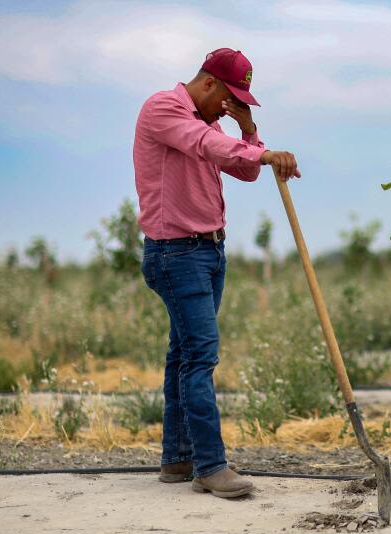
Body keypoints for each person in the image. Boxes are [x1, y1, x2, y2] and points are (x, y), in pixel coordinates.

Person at [133, 48, 299, 498]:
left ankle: (178, 458)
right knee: (201, 357)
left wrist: (250, 132)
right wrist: (266, 155)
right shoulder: (164, 109)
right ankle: (209, 465)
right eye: (229, 98)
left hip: (208, 252)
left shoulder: (213, 124)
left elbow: (243, 170)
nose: (230, 107)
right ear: (208, 84)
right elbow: (205, 145)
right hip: (176, 253)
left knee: (183, 355)